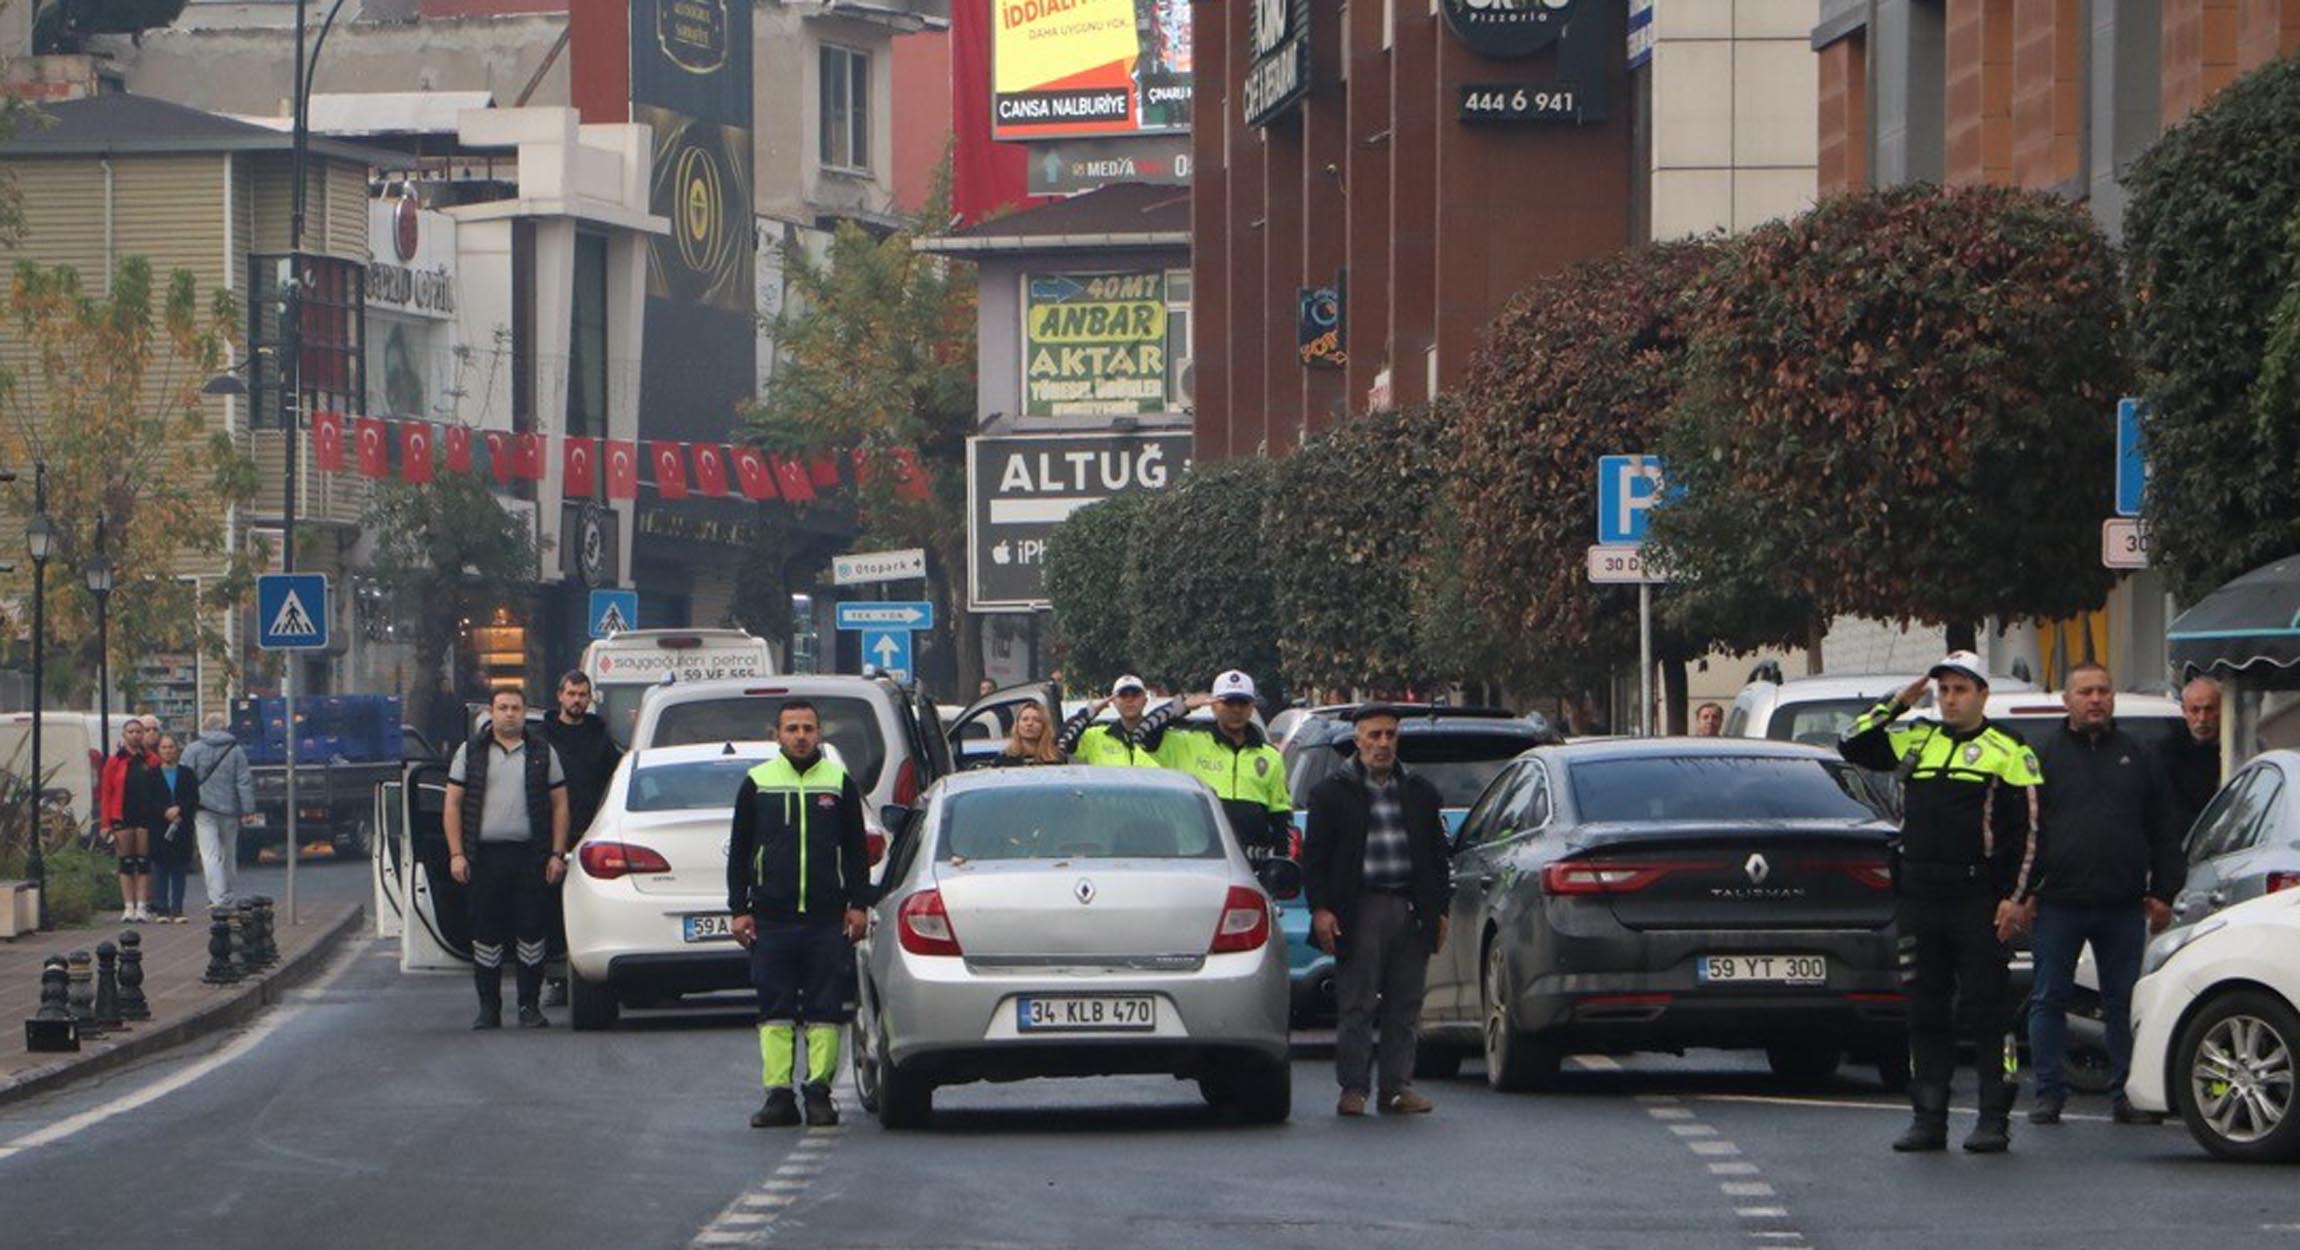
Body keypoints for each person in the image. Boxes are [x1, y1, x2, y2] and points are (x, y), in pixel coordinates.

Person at [1839, 651, 2041, 1154]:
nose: (1950, 700)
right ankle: (1928, 1118)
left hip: (1977, 899)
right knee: (1924, 1010)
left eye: (1960, 690)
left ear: (1982, 696)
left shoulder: (2008, 748)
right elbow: (1853, 743)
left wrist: (2016, 899)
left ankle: (1993, 1118)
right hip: (1920, 898)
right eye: (1943, 690)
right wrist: (1899, 702)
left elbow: (2033, 832)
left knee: (1987, 1011)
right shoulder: (1919, 736)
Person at [2025, 663, 2183, 1128]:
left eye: (2103, 691)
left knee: (2124, 1003)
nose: (2095, 699)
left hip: (2122, 904)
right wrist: (2024, 893)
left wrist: (2163, 891)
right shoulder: (2044, 755)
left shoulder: (2139, 753)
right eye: (2085, 691)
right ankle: (2048, 1093)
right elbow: (2028, 831)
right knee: (2048, 998)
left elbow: (2163, 829)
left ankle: (2127, 1093)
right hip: (2058, 903)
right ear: (2066, 700)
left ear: (2112, 698)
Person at [1302, 705, 1451, 1117]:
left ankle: (1396, 1088)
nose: (1383, 744)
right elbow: (1314, 861)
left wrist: (1439, 911)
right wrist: (1321, 910)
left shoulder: (1420, 790)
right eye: (1374, 736)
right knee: (1357, 1003)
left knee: (1405, 1004)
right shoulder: (1332, 792)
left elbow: (1438, 859)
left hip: (1409, 907)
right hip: (1359, 908)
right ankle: (1353, 1089)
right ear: (1358, 740)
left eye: (1390, 735)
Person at [728, 700, 871, 1128]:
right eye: (792, 728)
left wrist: (858, 905)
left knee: (826, 1009)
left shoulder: (839, 782)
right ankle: (778, 1097)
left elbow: (857, 851)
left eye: (808, 727)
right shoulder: (757, 783)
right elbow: (740, 851)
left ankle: (818, 1094)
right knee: (775, 1009)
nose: (801, 735)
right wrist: (739, 909)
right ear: (777, 734)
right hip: (772, 918)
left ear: (820, 733)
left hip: (827, 919)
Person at [444, 690, 572, 1031]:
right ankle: (489, 1009)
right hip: (483, 857)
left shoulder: (542, 751)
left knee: (532, 935)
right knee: (486, 936)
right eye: (503, 708)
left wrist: (557, 853)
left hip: (531, 856)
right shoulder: (470, 752)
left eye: (516, 708)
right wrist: (456, 854)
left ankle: (530, 1007)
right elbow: (453, 804)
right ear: (491, 712)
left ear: (525, 711)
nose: (510, 714)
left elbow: (560, 804)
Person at [1139, 670, 1292, 858]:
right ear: (1214, 706)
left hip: (1254, 862)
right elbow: (1142, 734)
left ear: (1252, 707)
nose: (1236, 709)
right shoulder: (1189, 743)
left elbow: (1281, 816)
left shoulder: (1270, 756)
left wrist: (1281, 862)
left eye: (1242, 703)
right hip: (1199, 859)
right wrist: (1182, 705)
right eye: (1228, 702)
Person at [539, 670, 623, 1006]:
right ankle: (557, 977)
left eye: (582, 695)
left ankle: (590, 973)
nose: (577, 700)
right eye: (571, 694)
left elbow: (616, 776)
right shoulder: (542, 736)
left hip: (592, 836)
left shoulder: (599, 736)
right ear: (560, 695)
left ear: (589, 699)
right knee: (552, 911)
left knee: (590, 907)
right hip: (549, 837)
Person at [180, 712, 256, 910]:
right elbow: (243, 781)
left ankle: (217, 897)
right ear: (224, 728)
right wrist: (248, 808)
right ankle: (228, 893)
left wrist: (184, 805)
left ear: (204, 727)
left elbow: (184, 780)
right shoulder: (236, 751)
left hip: (203, 808)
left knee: (210, 854)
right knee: (229, 854)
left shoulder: (193, 749)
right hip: (230, 810)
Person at [135, 733, 201, 922]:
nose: (168, 751)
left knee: (179, 868)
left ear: (177, 750)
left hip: (182, 824)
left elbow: (193, 798)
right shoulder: (151, 774)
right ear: (159, 750)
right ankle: (162, 908)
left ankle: (177, 908)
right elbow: (147, 800)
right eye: (164, 747)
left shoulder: (187, 774)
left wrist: (179, 809)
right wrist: (164, 811)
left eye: (171, 747)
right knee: (161, 867)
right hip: (159, 825)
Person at [100, 717, 160, 922]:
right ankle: (128, 906)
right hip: (122, 815)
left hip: (145, 815)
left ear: (143, 735)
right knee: (125, 862)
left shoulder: (151, 760)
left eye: (138, 732)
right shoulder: (114, 761)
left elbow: (159, 788)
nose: (135, 735)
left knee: (143, 862)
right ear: (124, 735)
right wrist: (105, 823)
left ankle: (142, 906)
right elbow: (106, 792)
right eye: (131, 732)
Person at [1055, 675, 1164, 766]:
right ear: (1114, 701)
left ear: (1145, 700)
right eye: (1123, 695)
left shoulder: (1162, 736)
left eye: (1135, 695)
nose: (1129, 700)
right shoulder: (1096, 736)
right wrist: (1091, 711)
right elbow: (1061, 739)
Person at [2163, 676, 2223, 840]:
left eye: (2209, 709)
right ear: (2184, 711)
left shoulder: (2237, 748)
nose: (2202, 719)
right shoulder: (2166, 753)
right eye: (2195, 710)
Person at [989, 700, 1066, 766]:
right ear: (1017, 725)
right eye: (1025, 719)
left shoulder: (1056, 758)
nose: (1029, 724)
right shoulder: (1004, 759)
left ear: (1044, 725)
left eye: (1036, 720)